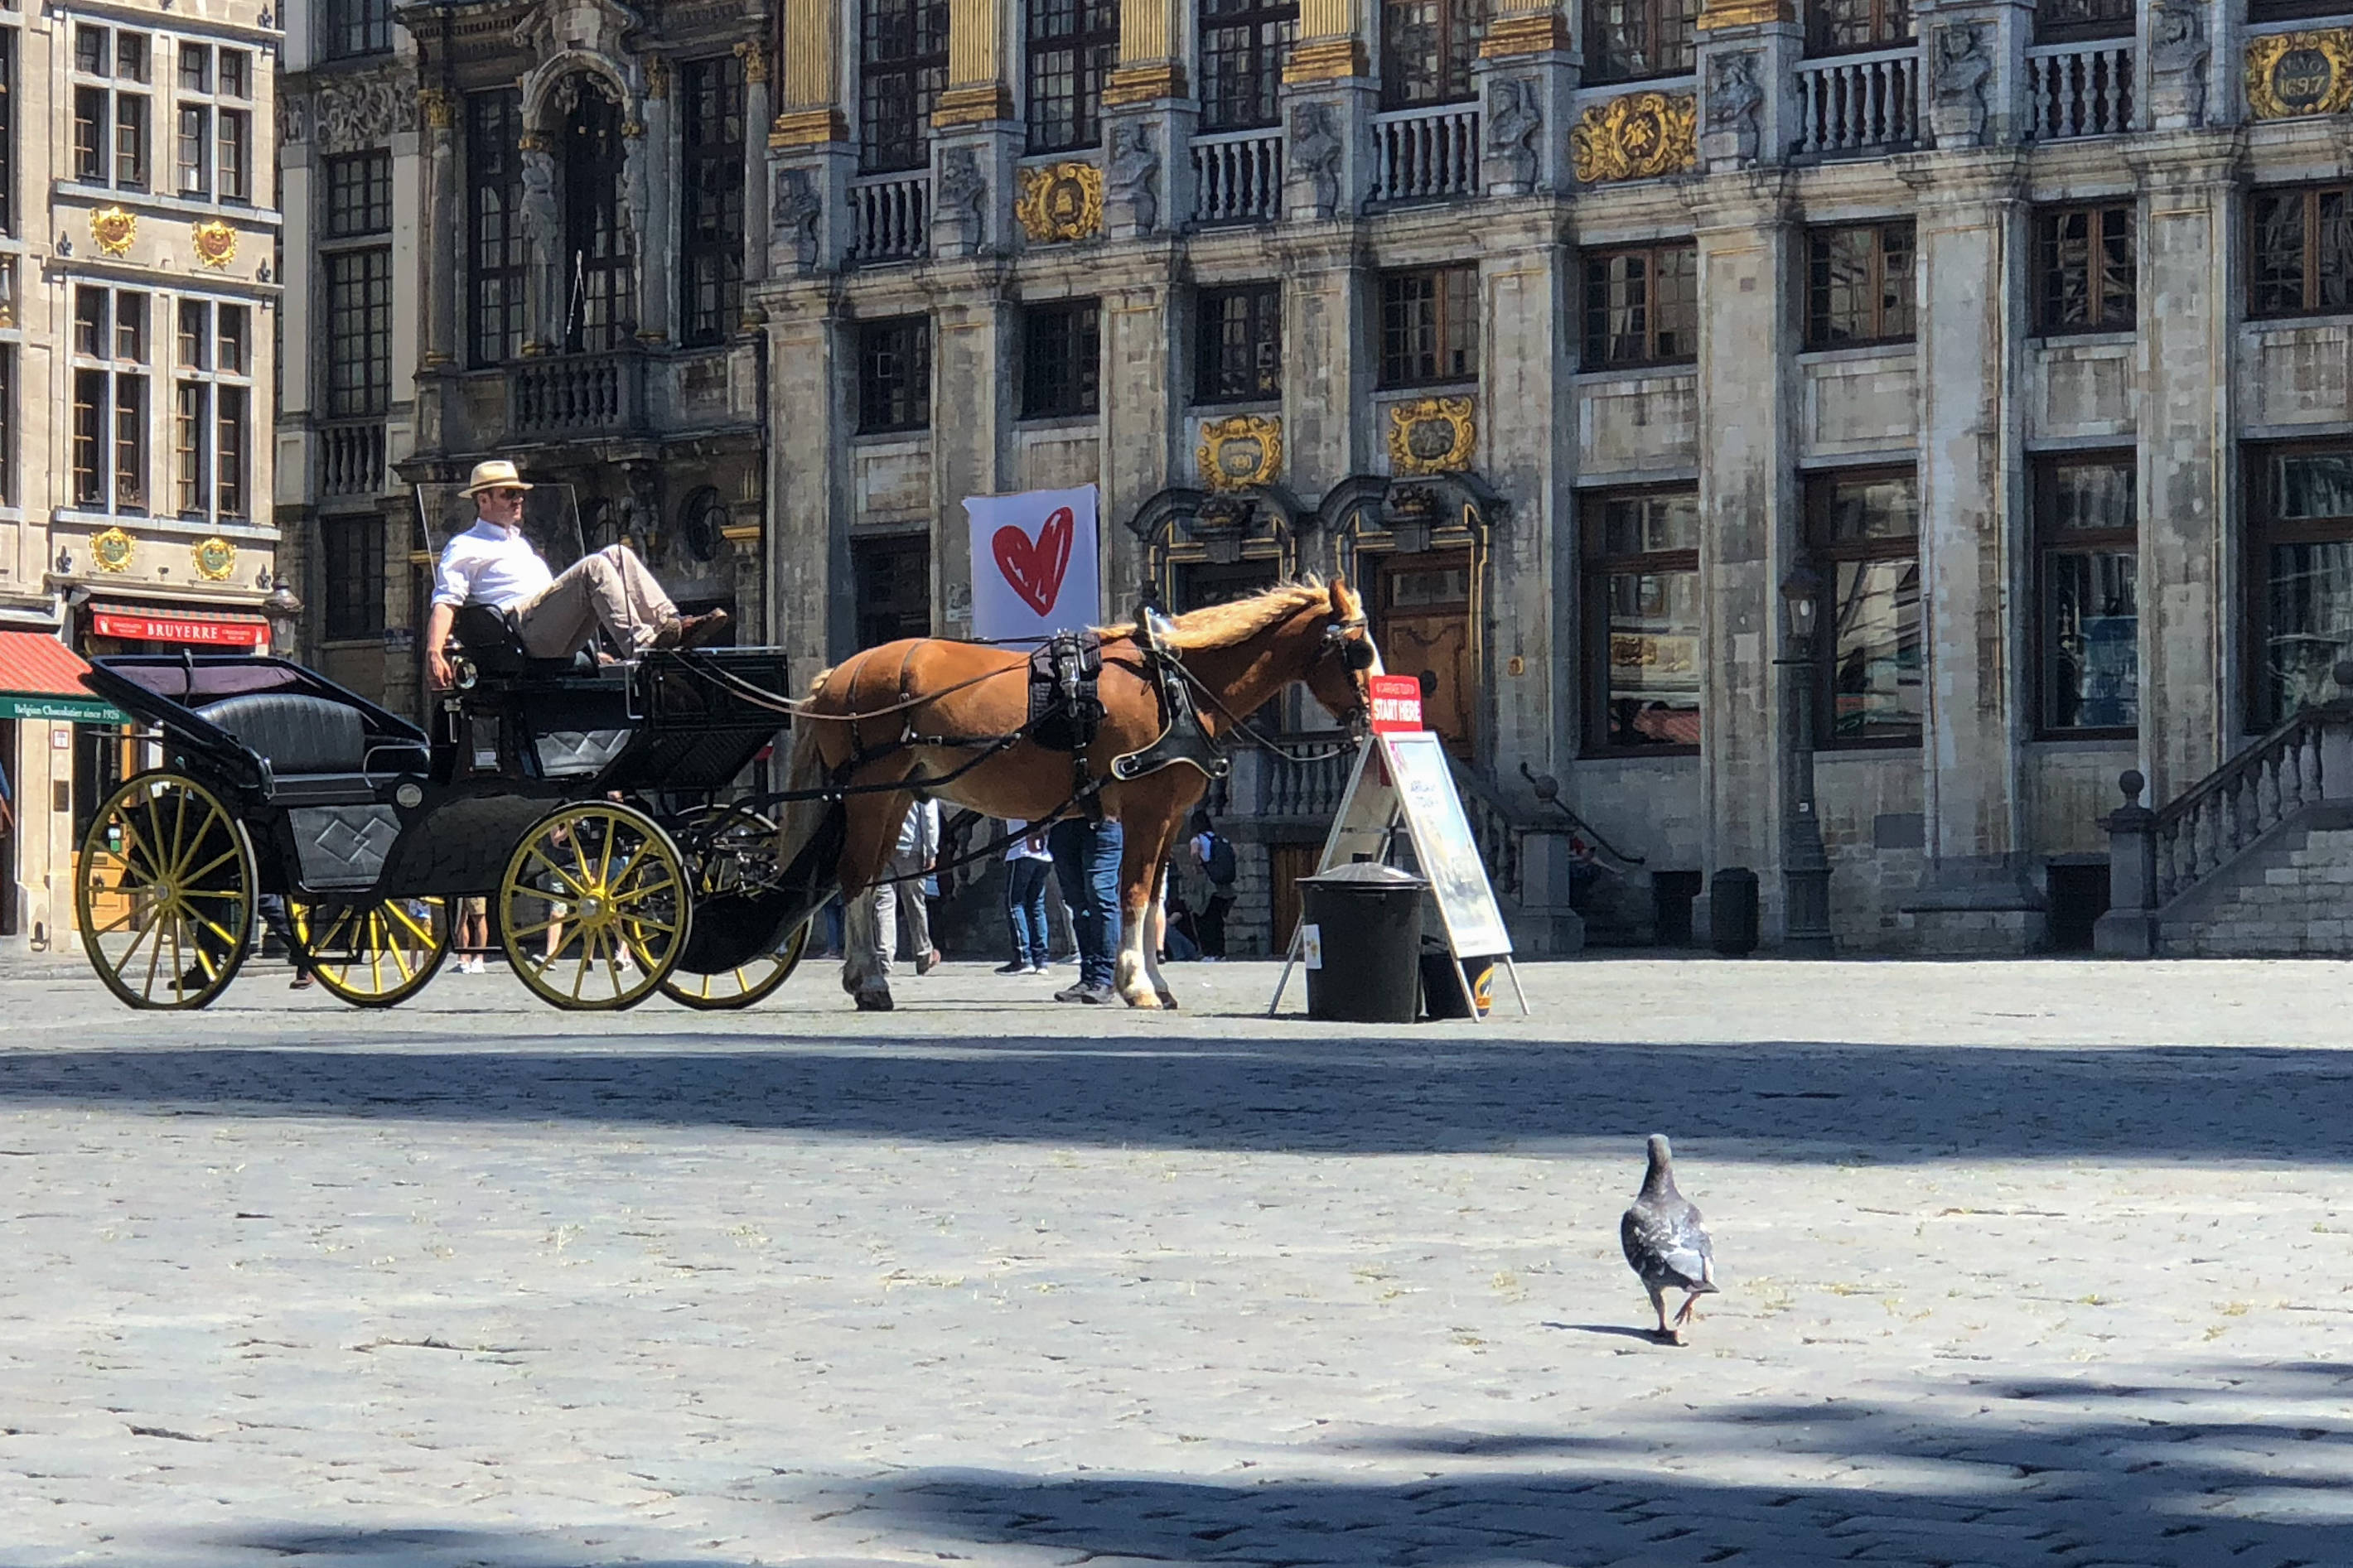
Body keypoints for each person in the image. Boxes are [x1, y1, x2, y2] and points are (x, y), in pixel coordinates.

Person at [422, 459, 729, 690]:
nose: (518, 500)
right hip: (518, 632)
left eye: (520, 493)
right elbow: (446, 602)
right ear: (482, 500)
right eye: (508, 494)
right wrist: (435, 651)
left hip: (544, 627)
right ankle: (643, 645)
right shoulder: (465, 546)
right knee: (593, 568)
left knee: (617, 554)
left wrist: (591, 651)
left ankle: (669, 625)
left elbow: (564, 604)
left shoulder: (520, 544)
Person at [842, 797, 941, 1010]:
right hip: (912, 849)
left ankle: (884, 958)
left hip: (886, 848)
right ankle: (923, 954)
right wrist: (931, 851)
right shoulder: (918, 784)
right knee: (915, 904)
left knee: (884, 907)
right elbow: (930, 817)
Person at [1048, 815, 1123, 1004]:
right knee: (1077, 904)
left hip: (1101, 822)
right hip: (1062, 824)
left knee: (1100, 897)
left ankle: (1104, 978)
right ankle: (1088, 977)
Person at [997, 819, 1053, 976]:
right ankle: (1041, 959)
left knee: (1014, 904)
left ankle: (1023, 957)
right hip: (1043, 854)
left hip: (1021, 852)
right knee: (1036, 907)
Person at [1187, 810, 1237, 961]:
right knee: (1218, 920)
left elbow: (1194, 854)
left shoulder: (1197, 839)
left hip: (1208, 886)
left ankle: (1209, 953)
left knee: (1203, 919)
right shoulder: (1220, 839)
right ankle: (1220, 953)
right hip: (1222, 886)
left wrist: (1197, 867)